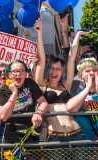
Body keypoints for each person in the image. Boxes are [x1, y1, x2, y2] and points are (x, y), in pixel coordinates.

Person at [34, 18, 86, 146]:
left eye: (58, 69)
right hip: (55, 138)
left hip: (77, 134)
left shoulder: (66, 85)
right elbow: (41, 59)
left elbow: (71, 57)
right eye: (52, 68)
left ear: (62, 72)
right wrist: (39, 33)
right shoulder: (42, 86)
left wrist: (77, 35)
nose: (54, 71)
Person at [0, 59, 48, 144]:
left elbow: (43, 102)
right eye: (15, 71)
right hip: (11, 133)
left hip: (30, 131)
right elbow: (3, 116)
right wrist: (14, 92)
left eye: (21, 71)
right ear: (10, 74)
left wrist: (38, 113)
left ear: (25, 74)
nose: (18, 74)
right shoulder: (3, 90)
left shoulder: (30, 83)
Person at [66, 59, 98, 138]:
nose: (91, 73)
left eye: (94, 70)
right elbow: (70, 107)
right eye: (87, 71)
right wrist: (88, 88)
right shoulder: (79, 91)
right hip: (89, 142)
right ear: (81, 75)